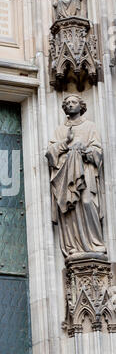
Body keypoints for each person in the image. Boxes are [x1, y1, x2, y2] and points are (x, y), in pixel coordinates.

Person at [46, 94, 107, 261]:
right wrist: (66, 143)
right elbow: (50, 153)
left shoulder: (90, 127)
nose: (70, 105)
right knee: (70, 208)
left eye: (74, 102)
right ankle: (74, 246)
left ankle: (94, 244)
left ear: (81, 106)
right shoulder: (60, 130)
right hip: (66, 176)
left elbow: (97, 151)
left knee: (87, 201)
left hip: (85, 172)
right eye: (67, 103)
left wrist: (84, 150)